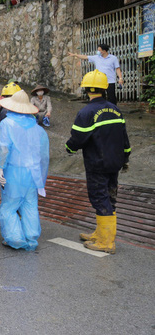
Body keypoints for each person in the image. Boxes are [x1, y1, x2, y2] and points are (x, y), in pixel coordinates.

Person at [65, 70, 130, 254]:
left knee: (99, 197)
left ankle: (106, 242)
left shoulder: (87, 112)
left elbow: (77, 138)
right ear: (104, 89)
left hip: (97, 164)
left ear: (86, 89)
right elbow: (124, 137)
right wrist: (126, 157)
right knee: (110, 197)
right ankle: (101, 233)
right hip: (115, 162)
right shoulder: (115, 109)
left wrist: (69, 148)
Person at [0, 90, 49, 251]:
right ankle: (31, 237)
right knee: (30, 204)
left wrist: (0, 168)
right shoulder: (37, 128)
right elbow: (43, 155)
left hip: (13, 171)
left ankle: (15, 238)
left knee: (9, 206)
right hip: (32, 174)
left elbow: (3, 148)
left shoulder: (7, 123)